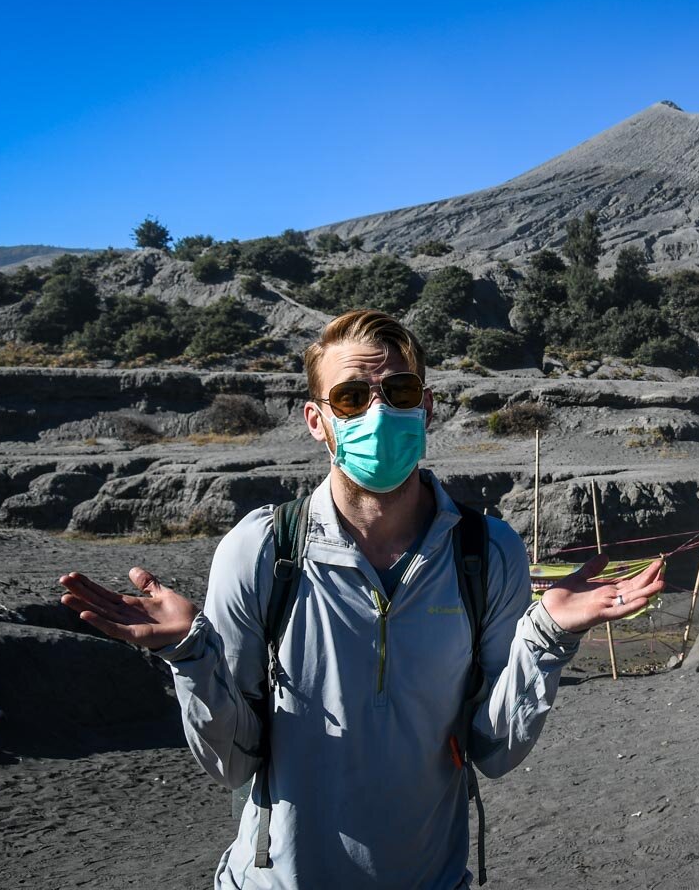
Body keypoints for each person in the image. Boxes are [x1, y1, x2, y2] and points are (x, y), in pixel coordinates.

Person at [59, 309, 662, 888]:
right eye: (351, 397)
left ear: (426, 406)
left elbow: (494, 750)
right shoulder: (262, 550)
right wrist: (192, 653)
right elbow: (232, 764)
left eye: (398, 391)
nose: (379, 410)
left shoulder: (489, 551)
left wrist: (547, 636)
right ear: (317, 420)